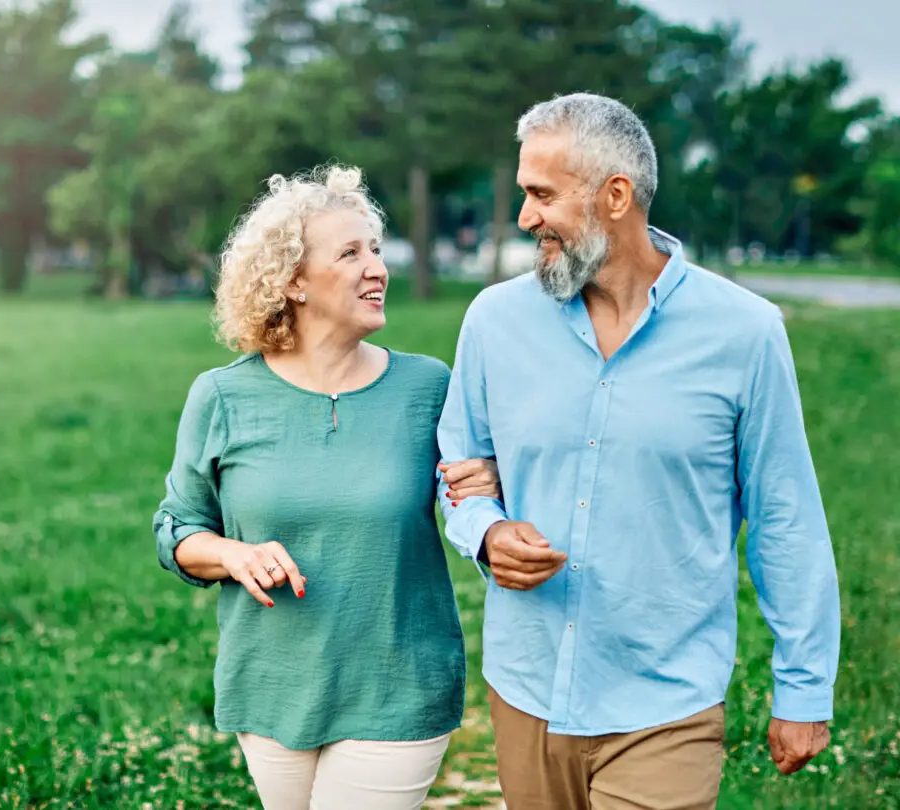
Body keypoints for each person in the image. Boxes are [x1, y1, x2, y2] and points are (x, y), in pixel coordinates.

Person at [436, 93, 841, 810]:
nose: (525, 217)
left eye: (541, 194)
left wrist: (804, 685)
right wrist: (486, 531)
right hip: (526, 691)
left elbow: (786, 517)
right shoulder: (494, 322)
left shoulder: (744, 333)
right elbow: (459, 470)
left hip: (665, 704)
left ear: (615, 196)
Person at [152, 165, 500, 810]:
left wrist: (492, 482)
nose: (377, 267)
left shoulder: (429, 388)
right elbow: (177, 527)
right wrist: (234, 554)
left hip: (399, 682)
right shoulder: (222, 396)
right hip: (271, 685)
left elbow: (477, 500)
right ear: (292, 282)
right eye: (350, 253)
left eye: (374, 248)